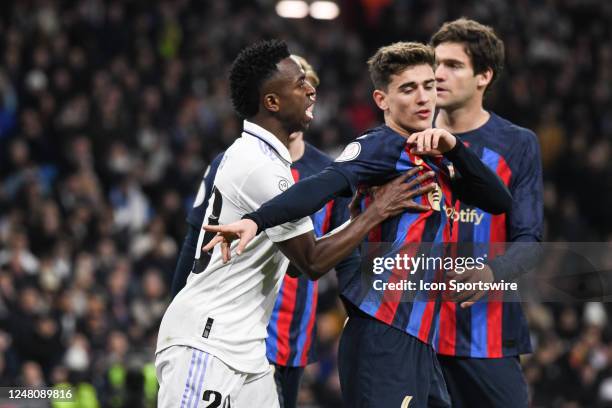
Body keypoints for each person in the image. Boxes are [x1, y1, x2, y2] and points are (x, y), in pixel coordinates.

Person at [203, 42, 512, 408]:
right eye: (408, 89)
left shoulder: (434, 157)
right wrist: (256, 220)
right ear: (382, 100)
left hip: (420, 339)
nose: (422, 98)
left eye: (429, 86)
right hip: (383, 335)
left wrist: (455, 148)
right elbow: (320, 186)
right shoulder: (379, 147)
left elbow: (499, 202)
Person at [155, 39, 431, 408]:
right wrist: (376, 211)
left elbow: (298, 267)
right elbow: (312, 263)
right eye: (300, 83)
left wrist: (350, 222)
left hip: (247, 348)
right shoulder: (259, 167)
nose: (311, 89)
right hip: (208, 344)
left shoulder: (267, 160)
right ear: (272, 102)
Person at [431, 18, 543, 408]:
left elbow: (530, 241)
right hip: (415, 336)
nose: (438, 74)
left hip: (486, 338)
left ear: (484, 76)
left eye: (453, 65)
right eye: (436, 63)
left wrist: (493, 272)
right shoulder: (407, 134)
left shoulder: (517, 144)